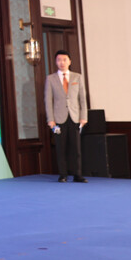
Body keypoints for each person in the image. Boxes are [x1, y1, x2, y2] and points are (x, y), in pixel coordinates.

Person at [44, 49, 88, 183]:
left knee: (76, 148)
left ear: (69, 61)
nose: (62, 62)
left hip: (75, 117)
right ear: (55, 62)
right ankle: (63, 174)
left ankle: (77, 174)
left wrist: (84, 117)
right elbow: (48, 100)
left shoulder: (77, 77)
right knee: (60, 148)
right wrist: (50, 119)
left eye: (64, 60)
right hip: (58, 118)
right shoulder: (50, 79)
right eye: (59, 60)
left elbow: (82, 99)